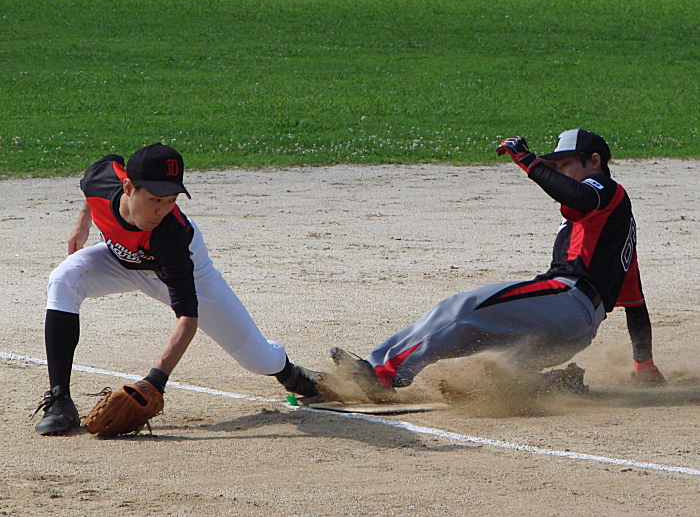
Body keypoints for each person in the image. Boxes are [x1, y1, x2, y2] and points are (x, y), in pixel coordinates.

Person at [328, 129, 665, 402]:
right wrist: (644, 366)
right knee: (480, 369)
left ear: (594, 161)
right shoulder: (616, 233)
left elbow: (578, 195)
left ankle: (378, 373)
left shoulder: (605, 188)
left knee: (460, 309)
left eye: (566, 164)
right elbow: (636, 307)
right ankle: (554, 386)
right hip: (573, 334)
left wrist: (529, 162)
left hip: (565, 303)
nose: (560, 172)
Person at [34, 143, 319, 435]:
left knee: (258, 359)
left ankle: (297, 377)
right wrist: (82, 223)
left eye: (171, 200)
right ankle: (60, 400)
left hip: (178, 272)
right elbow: (95, 178)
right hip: (118, 260)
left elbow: (187, 317)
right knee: (64, 278)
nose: (161, 210)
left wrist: (156, 380)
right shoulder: (101, 180)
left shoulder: (170, 234)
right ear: (128, 186)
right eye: (155, 199)